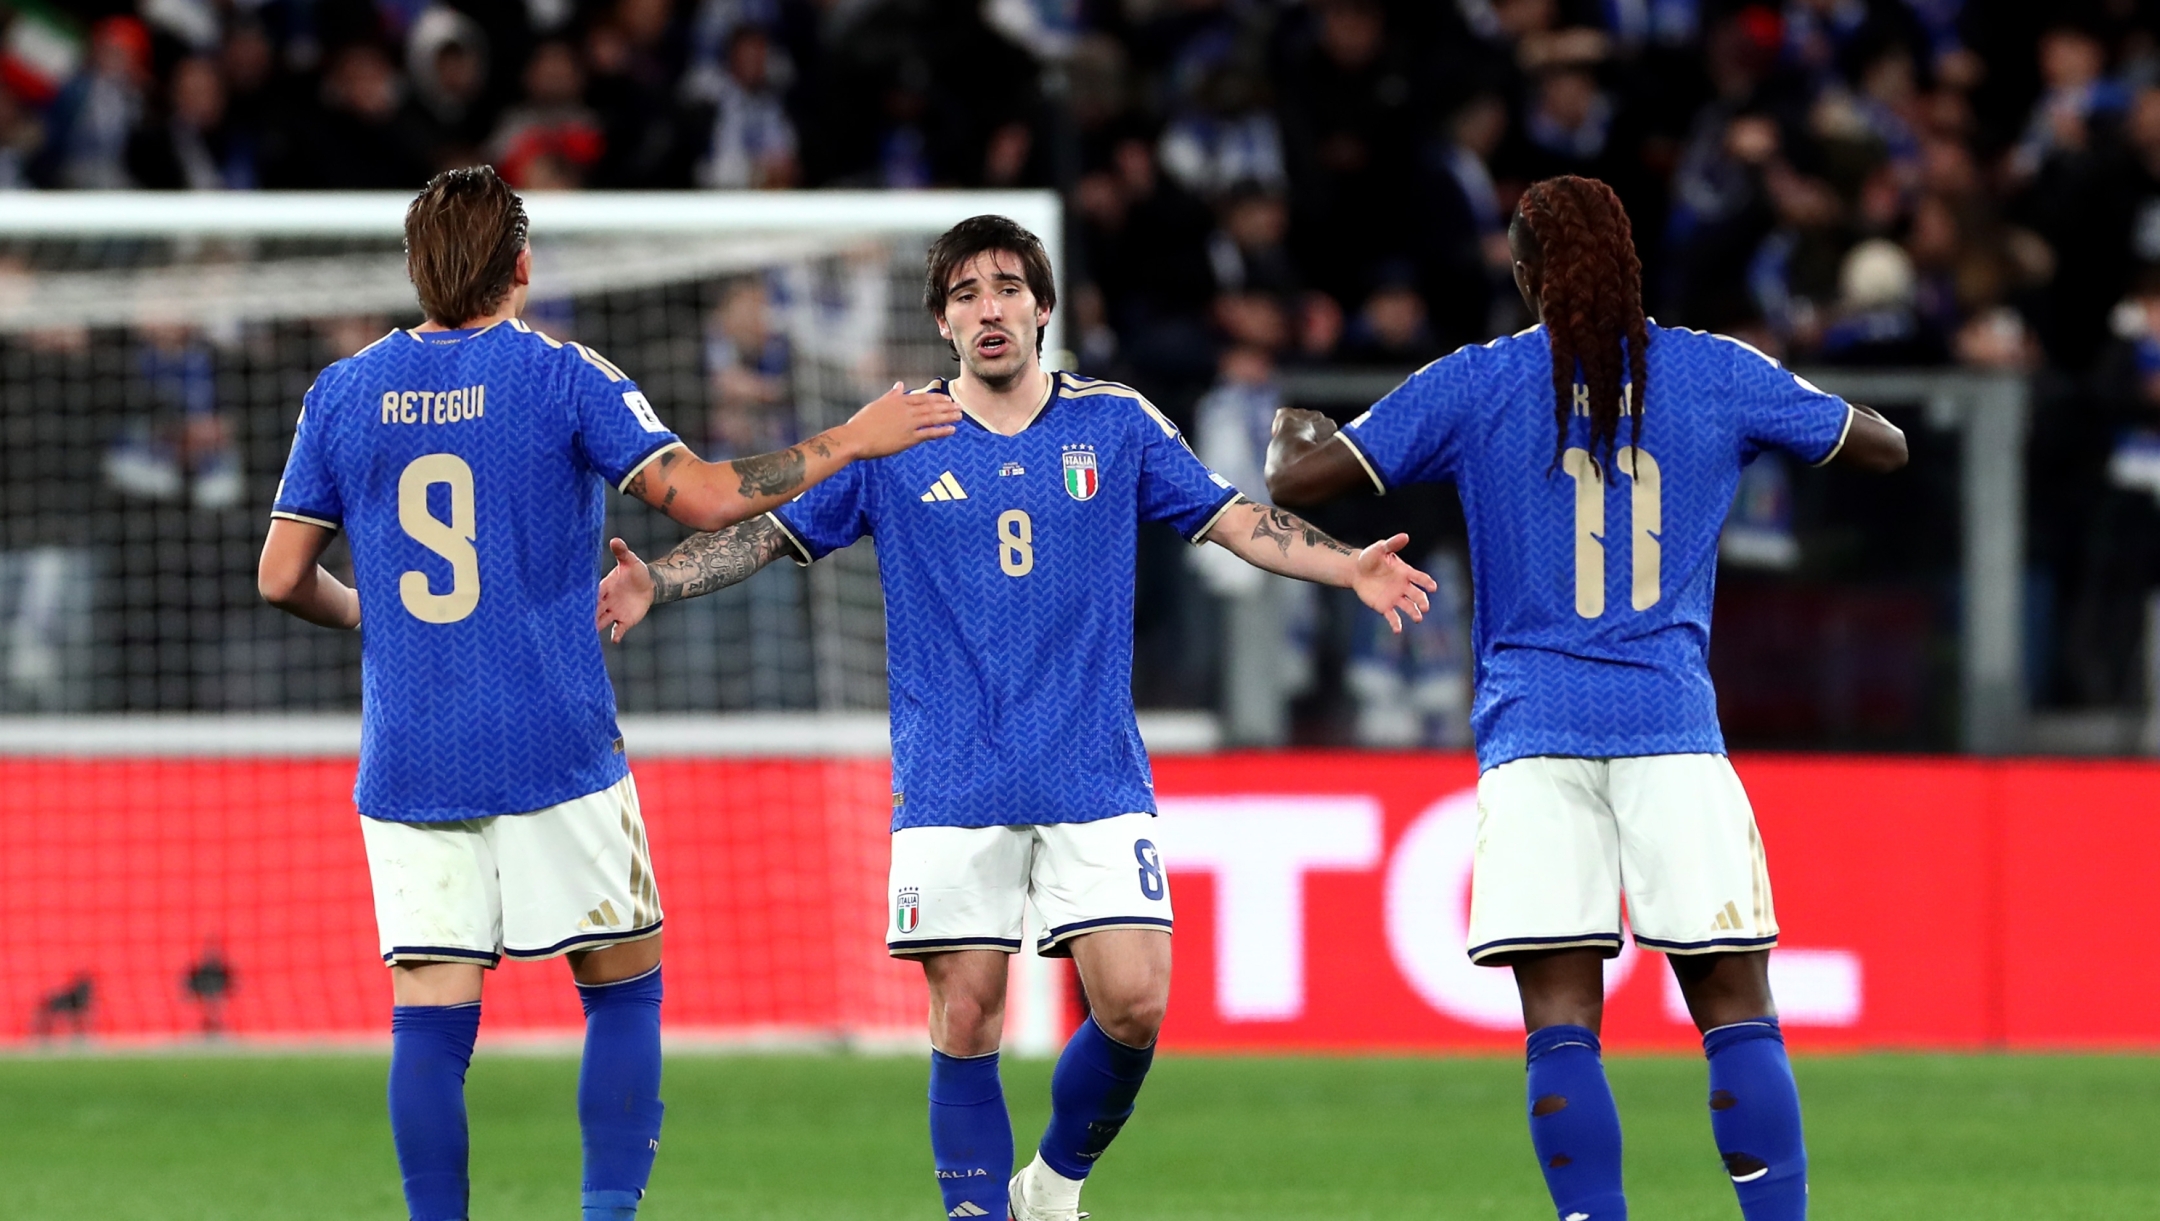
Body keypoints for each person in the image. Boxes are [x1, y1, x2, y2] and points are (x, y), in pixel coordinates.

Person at [593, 214, 1435, 1221]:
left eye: (1005, 287)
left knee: (1133, 1000)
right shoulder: (895, 438)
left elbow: (1236, 518)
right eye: (964, 293)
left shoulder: (1116, 422)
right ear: (942, 322)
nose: (987, 307)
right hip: (954, 777)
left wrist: (1346, 564)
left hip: (1091, 770)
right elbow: (768, 538)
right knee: (969, 1016)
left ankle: (1053, 1185)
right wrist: (661, 583)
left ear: (1042, 307)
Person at [254, 166, 958, 1221]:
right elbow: (713, 497)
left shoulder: (343, 392)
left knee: (433, 1022)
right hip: (554, 739)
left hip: (410, 752)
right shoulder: (563, 377)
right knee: (623, 987)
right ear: (522, 268)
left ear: (417, 269)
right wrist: (854, 437)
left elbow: (278, 575)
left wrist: (363, 612)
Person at [1266, 174, 1908, 1221]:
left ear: (1523, 275)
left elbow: (1300, 486)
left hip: (1534, 738)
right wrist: (1800, 410)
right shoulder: (1713, 370)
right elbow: (1882, 444)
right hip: (1673, 730)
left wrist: (1288, 433)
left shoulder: (1477, 380)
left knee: (1561, 1019)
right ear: (1631, 266)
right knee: (1736, 1010)